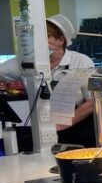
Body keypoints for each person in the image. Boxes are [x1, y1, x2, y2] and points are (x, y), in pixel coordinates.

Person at [0, 14, 95, 147]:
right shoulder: (25, 62)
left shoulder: (81, 62)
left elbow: (93, 102)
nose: (38, 42)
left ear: (60, 40)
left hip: (80, 128)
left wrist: (60, 125)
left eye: (46, 36)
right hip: (45, 128)